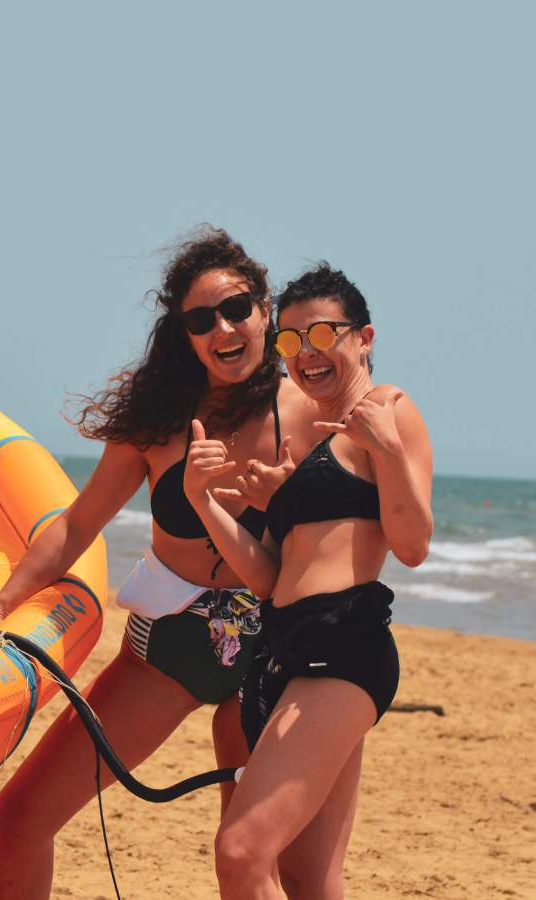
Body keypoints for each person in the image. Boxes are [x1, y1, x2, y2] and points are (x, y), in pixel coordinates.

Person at [0, 227, 320, 900]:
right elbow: (78, 523)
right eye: (202, 319)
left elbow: (351, 548)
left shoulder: (311, 414)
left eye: (238, 307)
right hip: (167, 651)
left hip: (272, 653)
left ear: (266, 312)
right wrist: (3, 603)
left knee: (254, 861)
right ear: (185, 335)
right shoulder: (159, 422)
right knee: (20, 814)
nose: (223, 327)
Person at [183, 264, 433, 899]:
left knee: (241, 852)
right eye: (290, 341)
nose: (305, 354)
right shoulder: (313, 445)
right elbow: (268, 578)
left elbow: (413, 545)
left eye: (321, 333)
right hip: (285, 654)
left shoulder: (387, 411)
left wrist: (390, 451)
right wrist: (205, 503)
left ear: (364, 337)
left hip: (341, 651)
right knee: (307, 877)